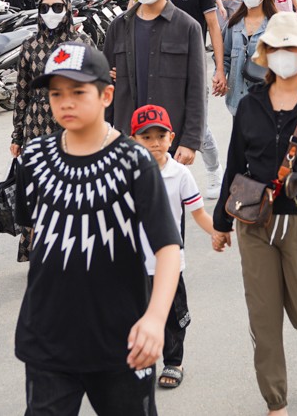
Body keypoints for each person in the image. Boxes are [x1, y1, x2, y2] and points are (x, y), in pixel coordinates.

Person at [14, 43, 180, 415]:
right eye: (56, 93)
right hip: (47, 338)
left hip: (122, 341)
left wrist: (155, 319)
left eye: (78, 92)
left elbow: (168, 246)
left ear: (106, 95)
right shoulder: (34, 158)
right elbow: (32, 226)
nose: (65, 102)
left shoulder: (134, 161)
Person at [211, 11, 297, 414]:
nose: (284, 55)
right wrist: (221, 224)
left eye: (292, 48)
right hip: (254, 223)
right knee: (263, 318)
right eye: (276, 48)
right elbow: (235, 164)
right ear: (266, 53)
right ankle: (276, 403)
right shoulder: (251, 104)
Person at [131, 104, 215, 391]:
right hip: (133, 262)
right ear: (134, 141)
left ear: (172, 137)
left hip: (169, 263)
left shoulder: (180, 174)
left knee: (172, 317)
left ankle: (173, 361)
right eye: (146, 137)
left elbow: (199, 213)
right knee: (136, 314)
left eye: (160, 136)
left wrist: (219, 232)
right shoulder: (128, 174)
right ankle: (141, 361)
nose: (155, 143)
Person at [104, 0, 205, 165]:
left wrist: (190, 141)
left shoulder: (188, 28)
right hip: (125, 138)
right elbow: (104, 85)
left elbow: (196, 88)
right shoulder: (119, 26)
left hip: (168, 139)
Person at [9, 0, 83, 255]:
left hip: (72, 125)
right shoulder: (30, 45)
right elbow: (22, 92)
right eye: (44, 8)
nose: (50, 13)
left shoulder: (81, 42)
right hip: (36, 125)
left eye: (57, 7)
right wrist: (17, 136)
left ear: (68, 8)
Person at [155, 0, 227, 194]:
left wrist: (219, 69)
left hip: (192, 67)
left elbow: (214, 28)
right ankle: (169, 177)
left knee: (198, 125)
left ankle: (213, 171)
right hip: (160, 68)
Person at [223, 0, 274, 115]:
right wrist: (220, 74)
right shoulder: (233, 24)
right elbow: (225, 55)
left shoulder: (274, 24)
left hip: (266, 101)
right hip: (237, 100)